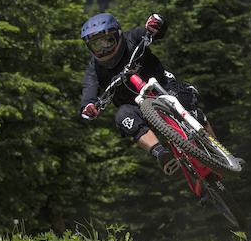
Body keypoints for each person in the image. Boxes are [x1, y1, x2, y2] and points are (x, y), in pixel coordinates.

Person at [79, 12, 203, 177]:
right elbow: (89, 91)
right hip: (138, 109)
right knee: (122, 115)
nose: (104, 49)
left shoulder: (132, 38)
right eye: (96, 45)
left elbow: (156, 32)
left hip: (164, 89)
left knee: (186, 101)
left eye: (108, 41)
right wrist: (88, 107)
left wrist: (157, 24)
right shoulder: (94, 69)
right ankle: (161, 154)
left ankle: (222, 153)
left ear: (119, 35)